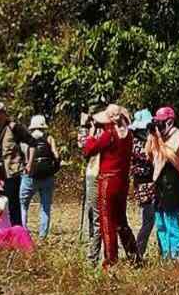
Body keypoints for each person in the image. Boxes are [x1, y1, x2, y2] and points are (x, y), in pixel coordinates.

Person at [81, 103, 139, 268]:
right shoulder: (128, 135)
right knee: (121, 221)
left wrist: (91, 134)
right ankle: (134, 256)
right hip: (122, 181)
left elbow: (88, 150)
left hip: (107, 180)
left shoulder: (109, 134)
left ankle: (110, 261)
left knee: (107, 222)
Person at [0, 100, 36, 226]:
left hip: (12, 173)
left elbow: (32, 143)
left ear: (2, 114)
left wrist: (29, 163)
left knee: (13, 204)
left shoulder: (15, 128)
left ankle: (17, 231)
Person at [146, 106, 179, 260]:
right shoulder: (158, 137)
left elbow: (170, 155)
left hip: (172, 181)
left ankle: (177, 256)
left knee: (171, 222)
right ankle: (165, 255)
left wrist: (160, 139)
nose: (159, 126)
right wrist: (152, 137)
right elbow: (148, 155)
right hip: (159, 182)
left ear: (169, 121)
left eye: (161, 122)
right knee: (160, 223)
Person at [19, 114, 60, 239]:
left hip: (30, 176)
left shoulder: (27, 139)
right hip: (47, 176)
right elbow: (57, 156)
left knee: (23, 204)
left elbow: (25, 158)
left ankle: (23, 232)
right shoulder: (49, 138)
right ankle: (43, 236)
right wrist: (55, 168)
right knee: (45, 207)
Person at [78, 105, 103, 264]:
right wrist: (85, 127)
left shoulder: (108, 132)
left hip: (100, 174)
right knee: (91, 214)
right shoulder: (88, 130)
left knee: (97, 217)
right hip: (91, 173)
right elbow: (82, 147)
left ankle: (93, 257)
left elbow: (88, 149)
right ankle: (93, 250)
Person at [131, 109, 157, 259]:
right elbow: (147, 156)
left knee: (153, 219)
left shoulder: (143, 140)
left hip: (150, 183)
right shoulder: (136, 143)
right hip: (143, 185)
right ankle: (138, 252)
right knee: (148, 221)